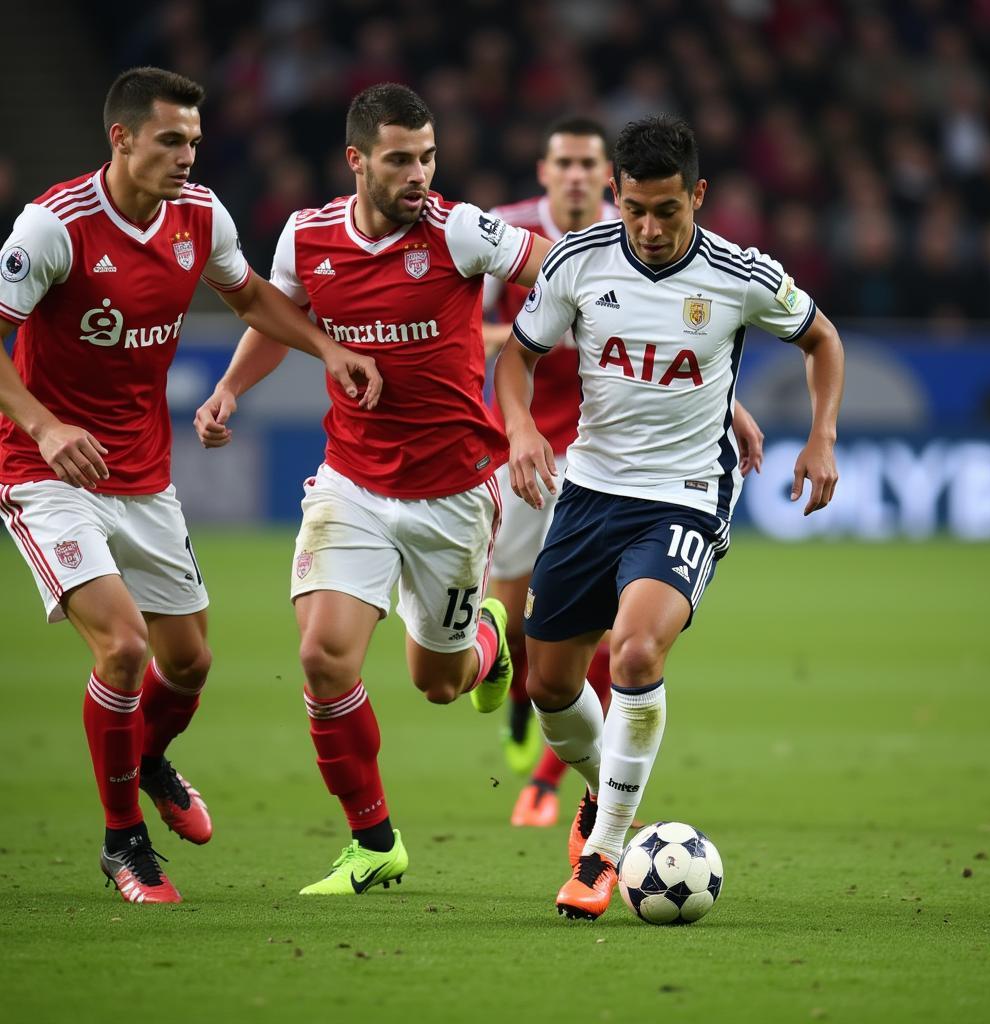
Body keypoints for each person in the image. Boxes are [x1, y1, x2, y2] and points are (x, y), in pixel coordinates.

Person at [0, 67, 382, 905]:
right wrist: (45, 427)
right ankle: (121, 841)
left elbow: (249, 299)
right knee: (126, 647)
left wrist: (330, 349)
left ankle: (148, 760)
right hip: (48, 470)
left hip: (143, 472)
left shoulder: (200, 216)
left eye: (195, 142)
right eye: (171, 140)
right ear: (123, 138)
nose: (187, 156)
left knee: (190, 661)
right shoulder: (53, 228)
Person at [194, 83, 551, 897]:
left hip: (455, 492)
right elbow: (274, 316)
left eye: (427, 156)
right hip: (352, 480)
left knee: (439, 683)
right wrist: (230, 391)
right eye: (399, 160)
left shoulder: (460, 230)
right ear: (357, 161)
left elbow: (548, 269)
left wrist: (538, 350)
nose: (418, 173)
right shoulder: (307, 235)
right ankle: (373, 841)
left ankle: (491, 637)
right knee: (322, 656)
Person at [494, 114, 843, 920]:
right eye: (635, 210)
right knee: (546, 681)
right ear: (616, 195)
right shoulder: (578, 263)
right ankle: (602, 792)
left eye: (668, 212)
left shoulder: (740, 273)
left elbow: (822, 339)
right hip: (589, 491)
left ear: (699, 197)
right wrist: (518, 429)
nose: (649, 230)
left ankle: (603, 852)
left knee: (637, 649)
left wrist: (821, 438)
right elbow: (518, 356)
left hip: (685, 494)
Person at [482, 118, 766, 829]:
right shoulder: (512, 238)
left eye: (585, 162)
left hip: (644, 471)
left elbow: (685, 340)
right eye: (565, 163)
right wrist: (515, 426)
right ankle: (523, 706)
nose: (576, 177)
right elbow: (490, 343)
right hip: (533, 453)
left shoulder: (656, 234)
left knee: (630, 643)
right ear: (547, 172)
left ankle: (590, 811)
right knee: (528, 638)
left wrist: (732, 406)